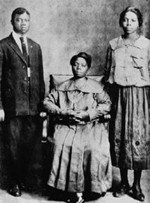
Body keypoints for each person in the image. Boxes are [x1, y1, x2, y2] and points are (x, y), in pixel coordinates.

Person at [43, 52, 112, 203]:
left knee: (93, 147)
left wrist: (88, 114)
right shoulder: (62, 87)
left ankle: (90, 188)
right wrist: (62, 111)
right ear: (71, 66)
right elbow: (47, 102)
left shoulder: (96, 87)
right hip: (66, 125)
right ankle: (63, 188)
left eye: (83, 65)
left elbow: (106, 104)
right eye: (76, 64)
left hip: (90, 126)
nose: (78, 67)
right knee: (60, 144)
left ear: (88, 68)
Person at [103, 6, 150, 202]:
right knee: (120, 135)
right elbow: (107, 73)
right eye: (125, 20)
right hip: (119, 95)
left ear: (139, 23)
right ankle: (123, 182)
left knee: (137, 136)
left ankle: (137, 184)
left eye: (132, 20)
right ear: (121, 22)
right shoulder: (113, 45)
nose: (128, 24)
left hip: (139, 95)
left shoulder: (147, 45)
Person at [0, 7, 45, 196]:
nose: (23, 23)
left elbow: (40, 78)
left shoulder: (35, 46)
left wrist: (42, 105)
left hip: (33, 107)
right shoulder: (3, 46)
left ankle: (26, 180)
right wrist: (0, 106)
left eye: (26, 20)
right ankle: (13, 182)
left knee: (30, 146)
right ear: (12, 22)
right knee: (12, 145)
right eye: (19, 20)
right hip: (13, 106)